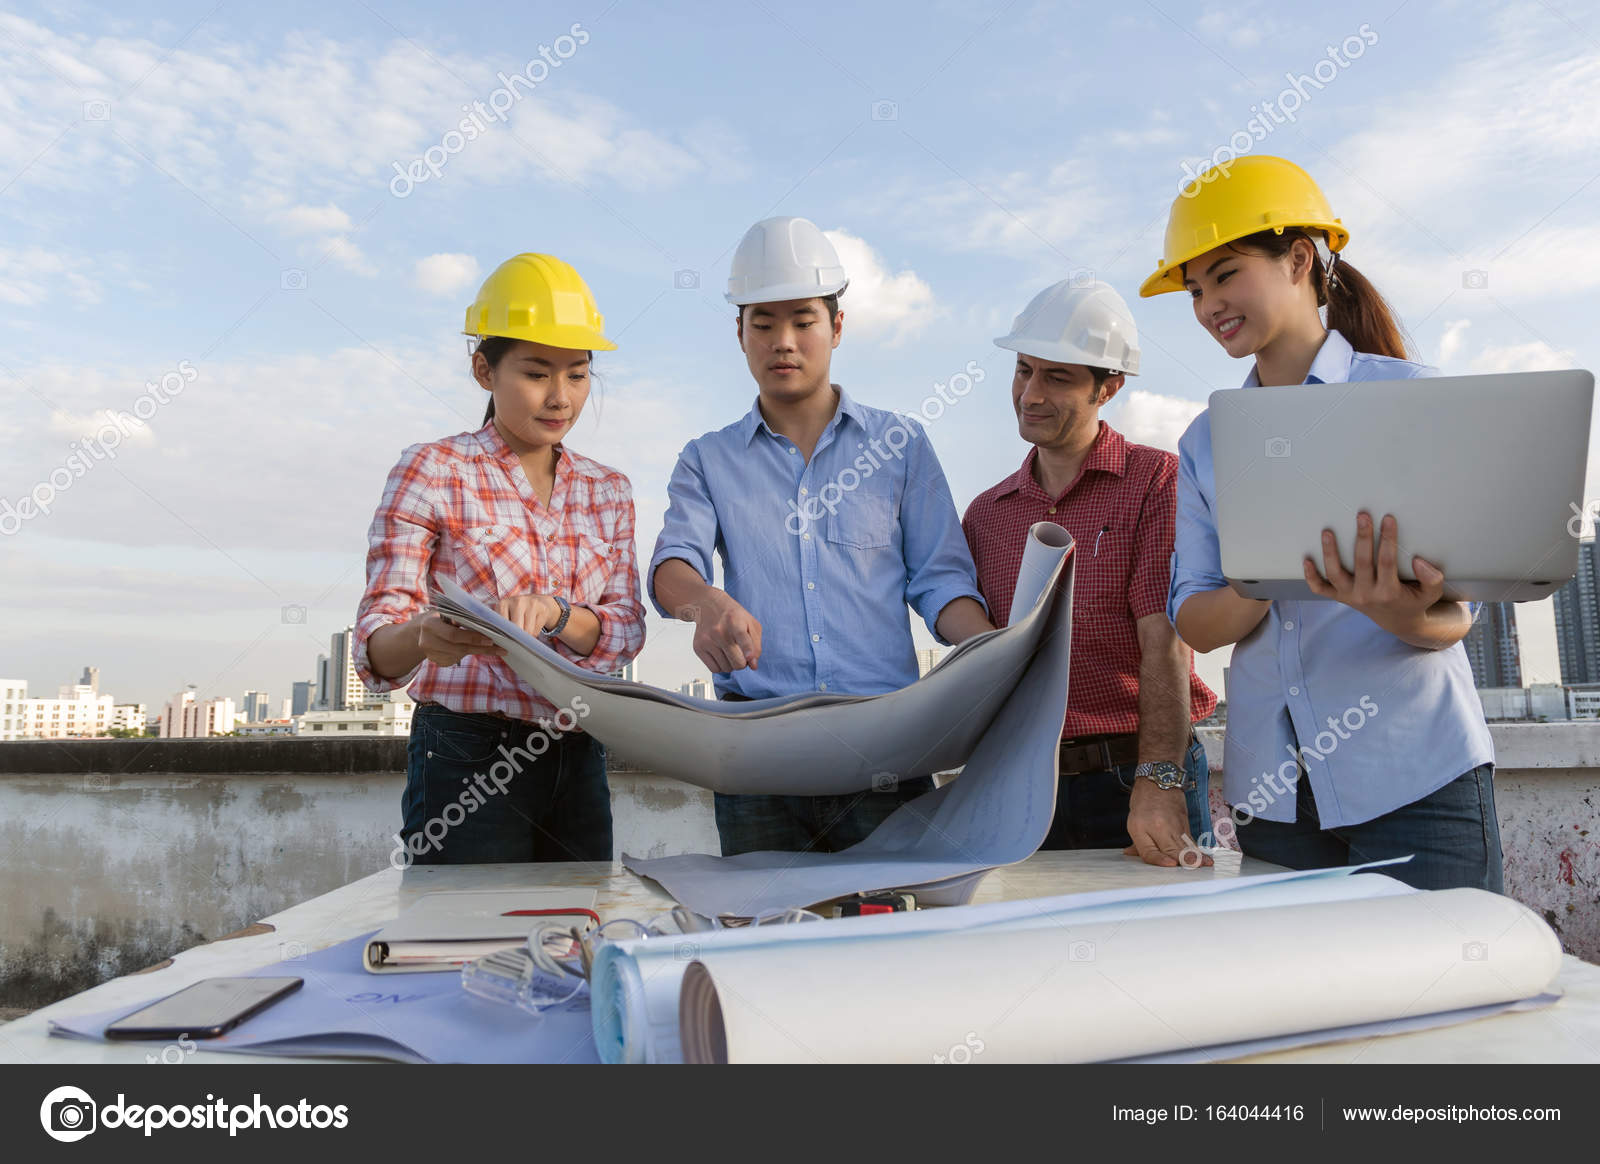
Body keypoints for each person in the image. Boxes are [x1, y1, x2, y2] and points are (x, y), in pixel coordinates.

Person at [1146, 155, 1499, 891]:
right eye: (1195, 288)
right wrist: (1278, 562)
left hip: (1416, 781)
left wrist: (1397, 611)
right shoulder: (1207, 441)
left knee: (1447, 999)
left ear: (1299, 258)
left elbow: (1457, 619)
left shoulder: (1409, 398)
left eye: (1226, 273)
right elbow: (1198, 622)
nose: (1209, 304)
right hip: (1275, 801)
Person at [650, 216, 994, 855]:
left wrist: (998, 656)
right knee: (763, 942)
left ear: (837, 326)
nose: (784, 342)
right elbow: (673, 567)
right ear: (739, 332)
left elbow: (941, 579)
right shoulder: (707, 458)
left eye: (803, 321)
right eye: (764, 323)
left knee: (890, 939)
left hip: (887, 751)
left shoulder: (902, 445)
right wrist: (710, 605)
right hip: (756, 757)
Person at [354, 253, 645, 866]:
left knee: (578, 935)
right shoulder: (432, 470)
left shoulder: (608, 489)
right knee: (462, 937)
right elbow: (375, 649)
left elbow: (625, 632)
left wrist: (559, 614)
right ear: (484, 370)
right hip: (465, 751)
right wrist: (427, 637)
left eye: (578, 374)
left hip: (578, 748)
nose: (560, 397)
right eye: (537, 373)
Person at [963, 278, 1217, 868]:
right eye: (1024, 370)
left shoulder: (1157, 483)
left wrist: (1158, 780)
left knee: (1168, 947)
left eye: (1057, 377)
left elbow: (1165, 643)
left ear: (1109, 387)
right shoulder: (986, 515)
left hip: (1138, 774)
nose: (1031, 393)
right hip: (1028, 786)